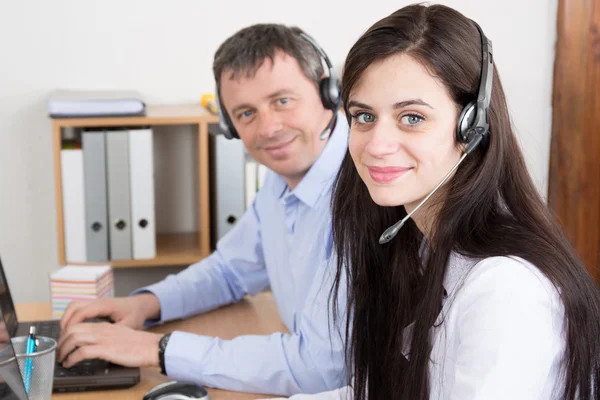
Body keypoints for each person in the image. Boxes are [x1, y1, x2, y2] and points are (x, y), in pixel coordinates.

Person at [268, 4, 600, 400]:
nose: (376, 145)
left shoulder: (504, 290)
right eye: (364, 116)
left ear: (472, 127)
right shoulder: (419, 244)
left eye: (412, 117)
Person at [56, 23, 349, 396]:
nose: (269, 128)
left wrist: (156, 349)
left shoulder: (362, 191)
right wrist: (147, 305)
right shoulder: (284, 177)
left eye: (282, 100)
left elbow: (321, 368)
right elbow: (230, 270)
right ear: (228, 124)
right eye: (246, 113)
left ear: (328, 91)